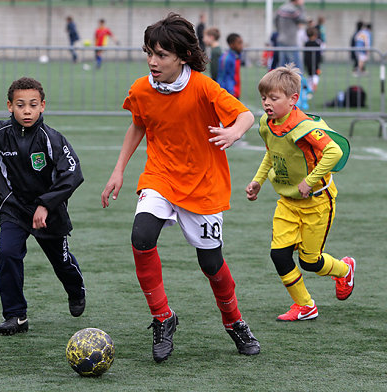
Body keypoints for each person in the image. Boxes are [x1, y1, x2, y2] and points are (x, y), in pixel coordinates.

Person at [101, 13, 260, 363]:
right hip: (160, 176)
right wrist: (119, 170)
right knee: (141, 237)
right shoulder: (142, 89)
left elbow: (246, 115)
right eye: (149, 53)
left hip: (203, 184)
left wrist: (234, 132)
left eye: (161, 55)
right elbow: (137, 126)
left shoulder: (203, 87)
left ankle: (234, 322)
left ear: (183, 56)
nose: (152, 61)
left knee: (211, 263)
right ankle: (162, 318)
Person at [0, 77, 85, 335]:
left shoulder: (52, 139)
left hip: (49, 211)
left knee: (62, 262)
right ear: (10, 106)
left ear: (42, 106)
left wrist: (46, 205)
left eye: (33, 105)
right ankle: (16, 315)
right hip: (13, 208)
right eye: (21, 104)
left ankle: (75, 288)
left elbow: (72, 173)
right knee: (8, 253)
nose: (27, 110)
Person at [245, 64, 355, 322]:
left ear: (293, 99)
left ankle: (344, 270)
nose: (267, 104)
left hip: (317, 202)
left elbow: (335, 152)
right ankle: (305, 305)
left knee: (310, 262)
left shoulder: (304, 127)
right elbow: (272, 153)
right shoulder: (266, 123)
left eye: (274, 98)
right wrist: (258, 181)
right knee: (279, 254)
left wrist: (311, 180)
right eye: (264, 98)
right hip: (287, 201)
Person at [274, 0, 306, 69]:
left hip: (281, 39)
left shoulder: (281, 8)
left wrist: (280, 31)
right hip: (291, 41)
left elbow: (275, 21)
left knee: (282, 68)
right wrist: (301, 6)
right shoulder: (293, 10)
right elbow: (303, 19)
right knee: (296, 69)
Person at [217, 33, 243, 99]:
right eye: (239, 43)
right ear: (232, 45)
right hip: (229, 93)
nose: (242, 46)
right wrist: (229, 92)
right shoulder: (226, 59)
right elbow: (222, 77)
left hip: (236, 91)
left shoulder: (236, 56)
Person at [303, 26, 322, 92]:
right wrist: (319, 61)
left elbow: (305, 55)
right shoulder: (316, 44)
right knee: (315, 75)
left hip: (308, 62)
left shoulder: (306, 43)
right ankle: (312, 86)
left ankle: (310, 87)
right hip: (315, 62)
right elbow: (319, 54)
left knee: (310, 75)